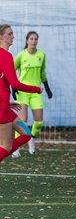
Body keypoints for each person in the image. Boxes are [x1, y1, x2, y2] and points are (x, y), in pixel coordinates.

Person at [0, 24, 42, 162]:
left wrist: (7, 102)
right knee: (5, 148)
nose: (13, 36)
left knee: (27, 134)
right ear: (1, 37)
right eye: (9, 34)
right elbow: (16, 84)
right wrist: (36, 89)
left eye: (12, 33)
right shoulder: (5, 55)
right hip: (2, 109)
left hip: (5, 107)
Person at [11, 31, 52, 158]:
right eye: (31, 39)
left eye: (35, 39)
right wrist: (14, 87)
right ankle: (16, 147)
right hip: (22, 92)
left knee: (38, 122)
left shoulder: (41, 55)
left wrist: (47, 88)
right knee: (22, 120)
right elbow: (11, 71)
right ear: (27, 40)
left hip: (35, 92)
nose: (33, 41)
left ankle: (31, 139)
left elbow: (42, 73)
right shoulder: (21, 56)